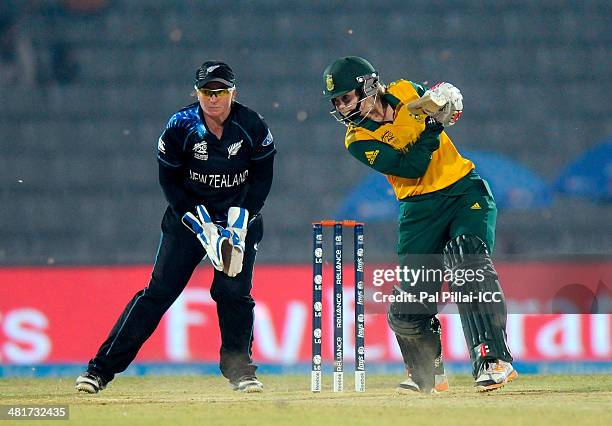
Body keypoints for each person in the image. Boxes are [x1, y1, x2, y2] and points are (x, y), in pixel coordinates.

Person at [76, 61, 276, 394]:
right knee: (159, 294)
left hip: (237, 222)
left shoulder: (252, 126)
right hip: (187, 220)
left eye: (220, 92)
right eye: (206, 92)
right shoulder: (180, 126)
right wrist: (201, 225)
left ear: (233, 93)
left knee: (233, 294)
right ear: (197, 93)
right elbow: (169, 182)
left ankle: (241, 372)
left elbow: (262, 179)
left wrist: (238, 225)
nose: (213, 99)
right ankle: (99, 370)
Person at [321, 56, 516, 393]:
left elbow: (446, 110)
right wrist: (432, 125)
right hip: (418, 208)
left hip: (462, 191)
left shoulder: (406, 90)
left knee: (467, 260)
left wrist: (447, 105)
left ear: (368, 87)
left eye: (346, 98)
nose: (342, 107)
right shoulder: (356, 139)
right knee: (409, 305)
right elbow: (410, 167)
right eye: (337, 102)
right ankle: (426, 373)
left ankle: (494, 360)